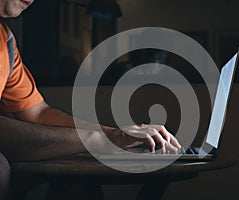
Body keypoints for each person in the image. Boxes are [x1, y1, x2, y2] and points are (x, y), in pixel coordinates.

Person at [0, 0, 181, 199]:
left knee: (76, 182)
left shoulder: (5, 40)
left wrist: (118, 134)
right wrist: (103, 140)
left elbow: (38, 113)